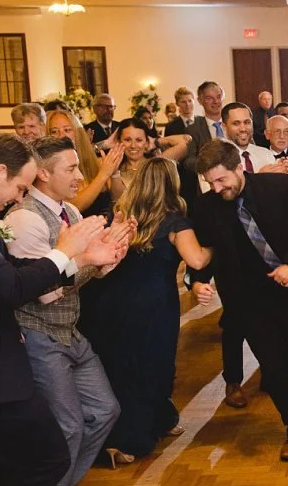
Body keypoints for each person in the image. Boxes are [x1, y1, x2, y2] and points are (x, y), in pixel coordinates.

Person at [0, 135, 125, 486]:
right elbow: (36, 290)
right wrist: (77, 257)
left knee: (102, 412)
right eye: (71, 167)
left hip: (67, 333)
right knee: (60, 434)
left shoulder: (65, 215)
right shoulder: (25, 220)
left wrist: (101, 256)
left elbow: (62, 280)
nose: (81, 176)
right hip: (37, 339)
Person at [190, 140, 288, 462]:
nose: (217, 187)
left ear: (239, 167)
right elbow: (207, 251)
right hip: (246, 296)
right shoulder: (207, 206)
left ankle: (280, 372)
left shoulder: (276, 187)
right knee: (271, 364)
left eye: (222, 179)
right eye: (211, 182)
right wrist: (197, 281)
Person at [80, 159, 212, 461]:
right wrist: (215, 247)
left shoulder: (122, 216)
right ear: (171, 182)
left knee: (122, 365)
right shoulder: (174, 221)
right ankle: (132, 439)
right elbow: (197, 261)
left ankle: (159, 420)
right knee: (152, 365)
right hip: (153, 305)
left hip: (113, 302)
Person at [45, 109, 122, 218]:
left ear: (78, 133)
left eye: (67, 130)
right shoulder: (49, 172)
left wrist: (114, 174)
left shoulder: (97, 162)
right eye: (54, 131)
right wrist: (103, 175)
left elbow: (119, 199)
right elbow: (72, 208)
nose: (62, 135)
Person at [108, 120, 191, 201]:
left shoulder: (156, 163)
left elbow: (185, 141)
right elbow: (117, 199)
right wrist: (105, 144)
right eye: (127, 140)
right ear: (119, 142)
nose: (133, 146)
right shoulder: (111, 166)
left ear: (147, 142)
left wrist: (156, 141)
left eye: (139, 140)